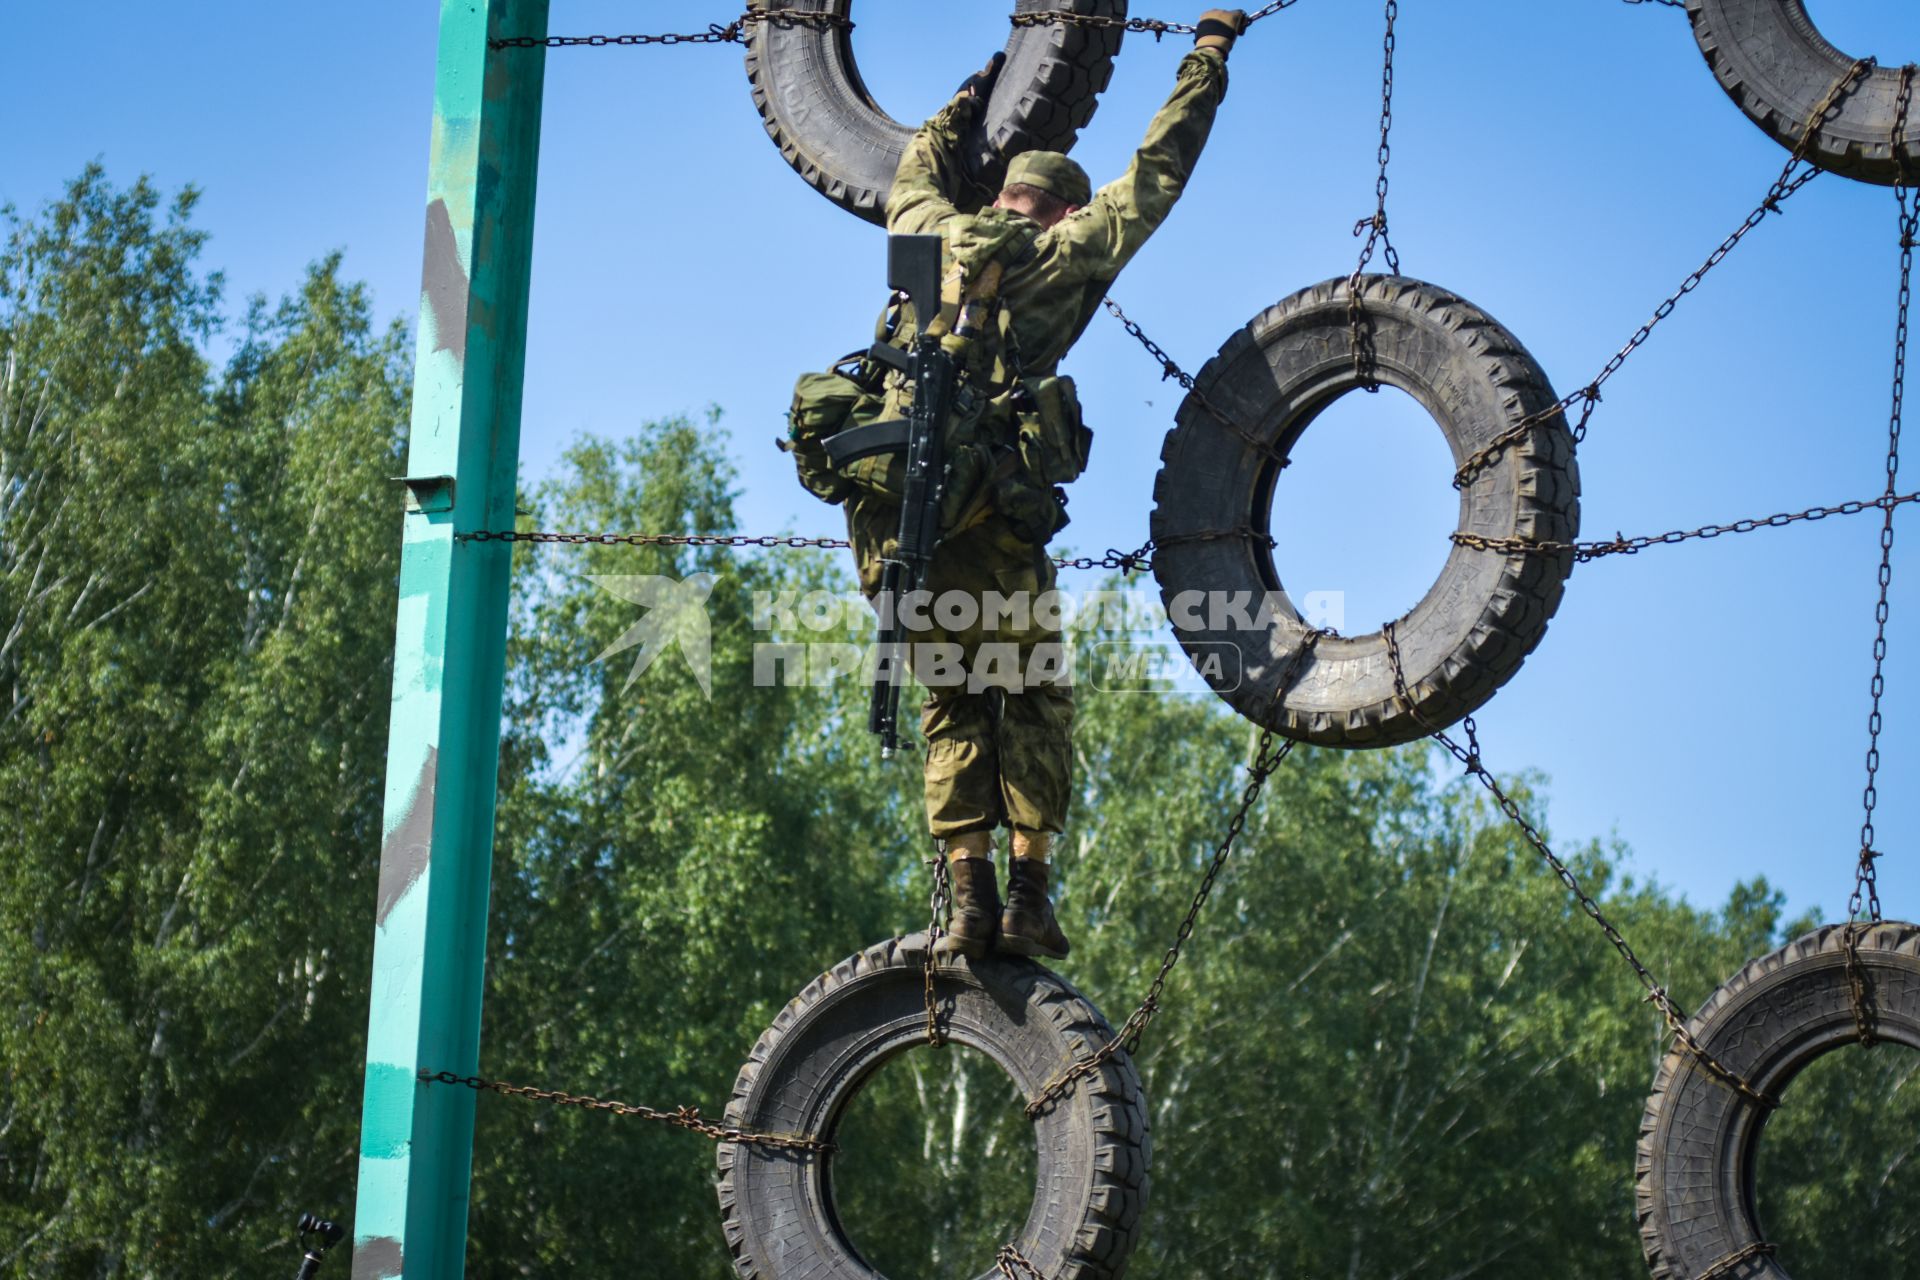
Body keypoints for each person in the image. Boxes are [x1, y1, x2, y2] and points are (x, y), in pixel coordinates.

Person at [813, 10, 1249, 962]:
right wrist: (1208, 54)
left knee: (952, 704)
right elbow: (1158, 172)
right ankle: (1027, 898)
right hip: (987, 522)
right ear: (1055, 207)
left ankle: (966, 899)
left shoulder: (923, 234)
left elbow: (917, 168)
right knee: (1032, 692)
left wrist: (970, 98)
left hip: (885, 528)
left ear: (1003, 193)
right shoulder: (1060, 257)